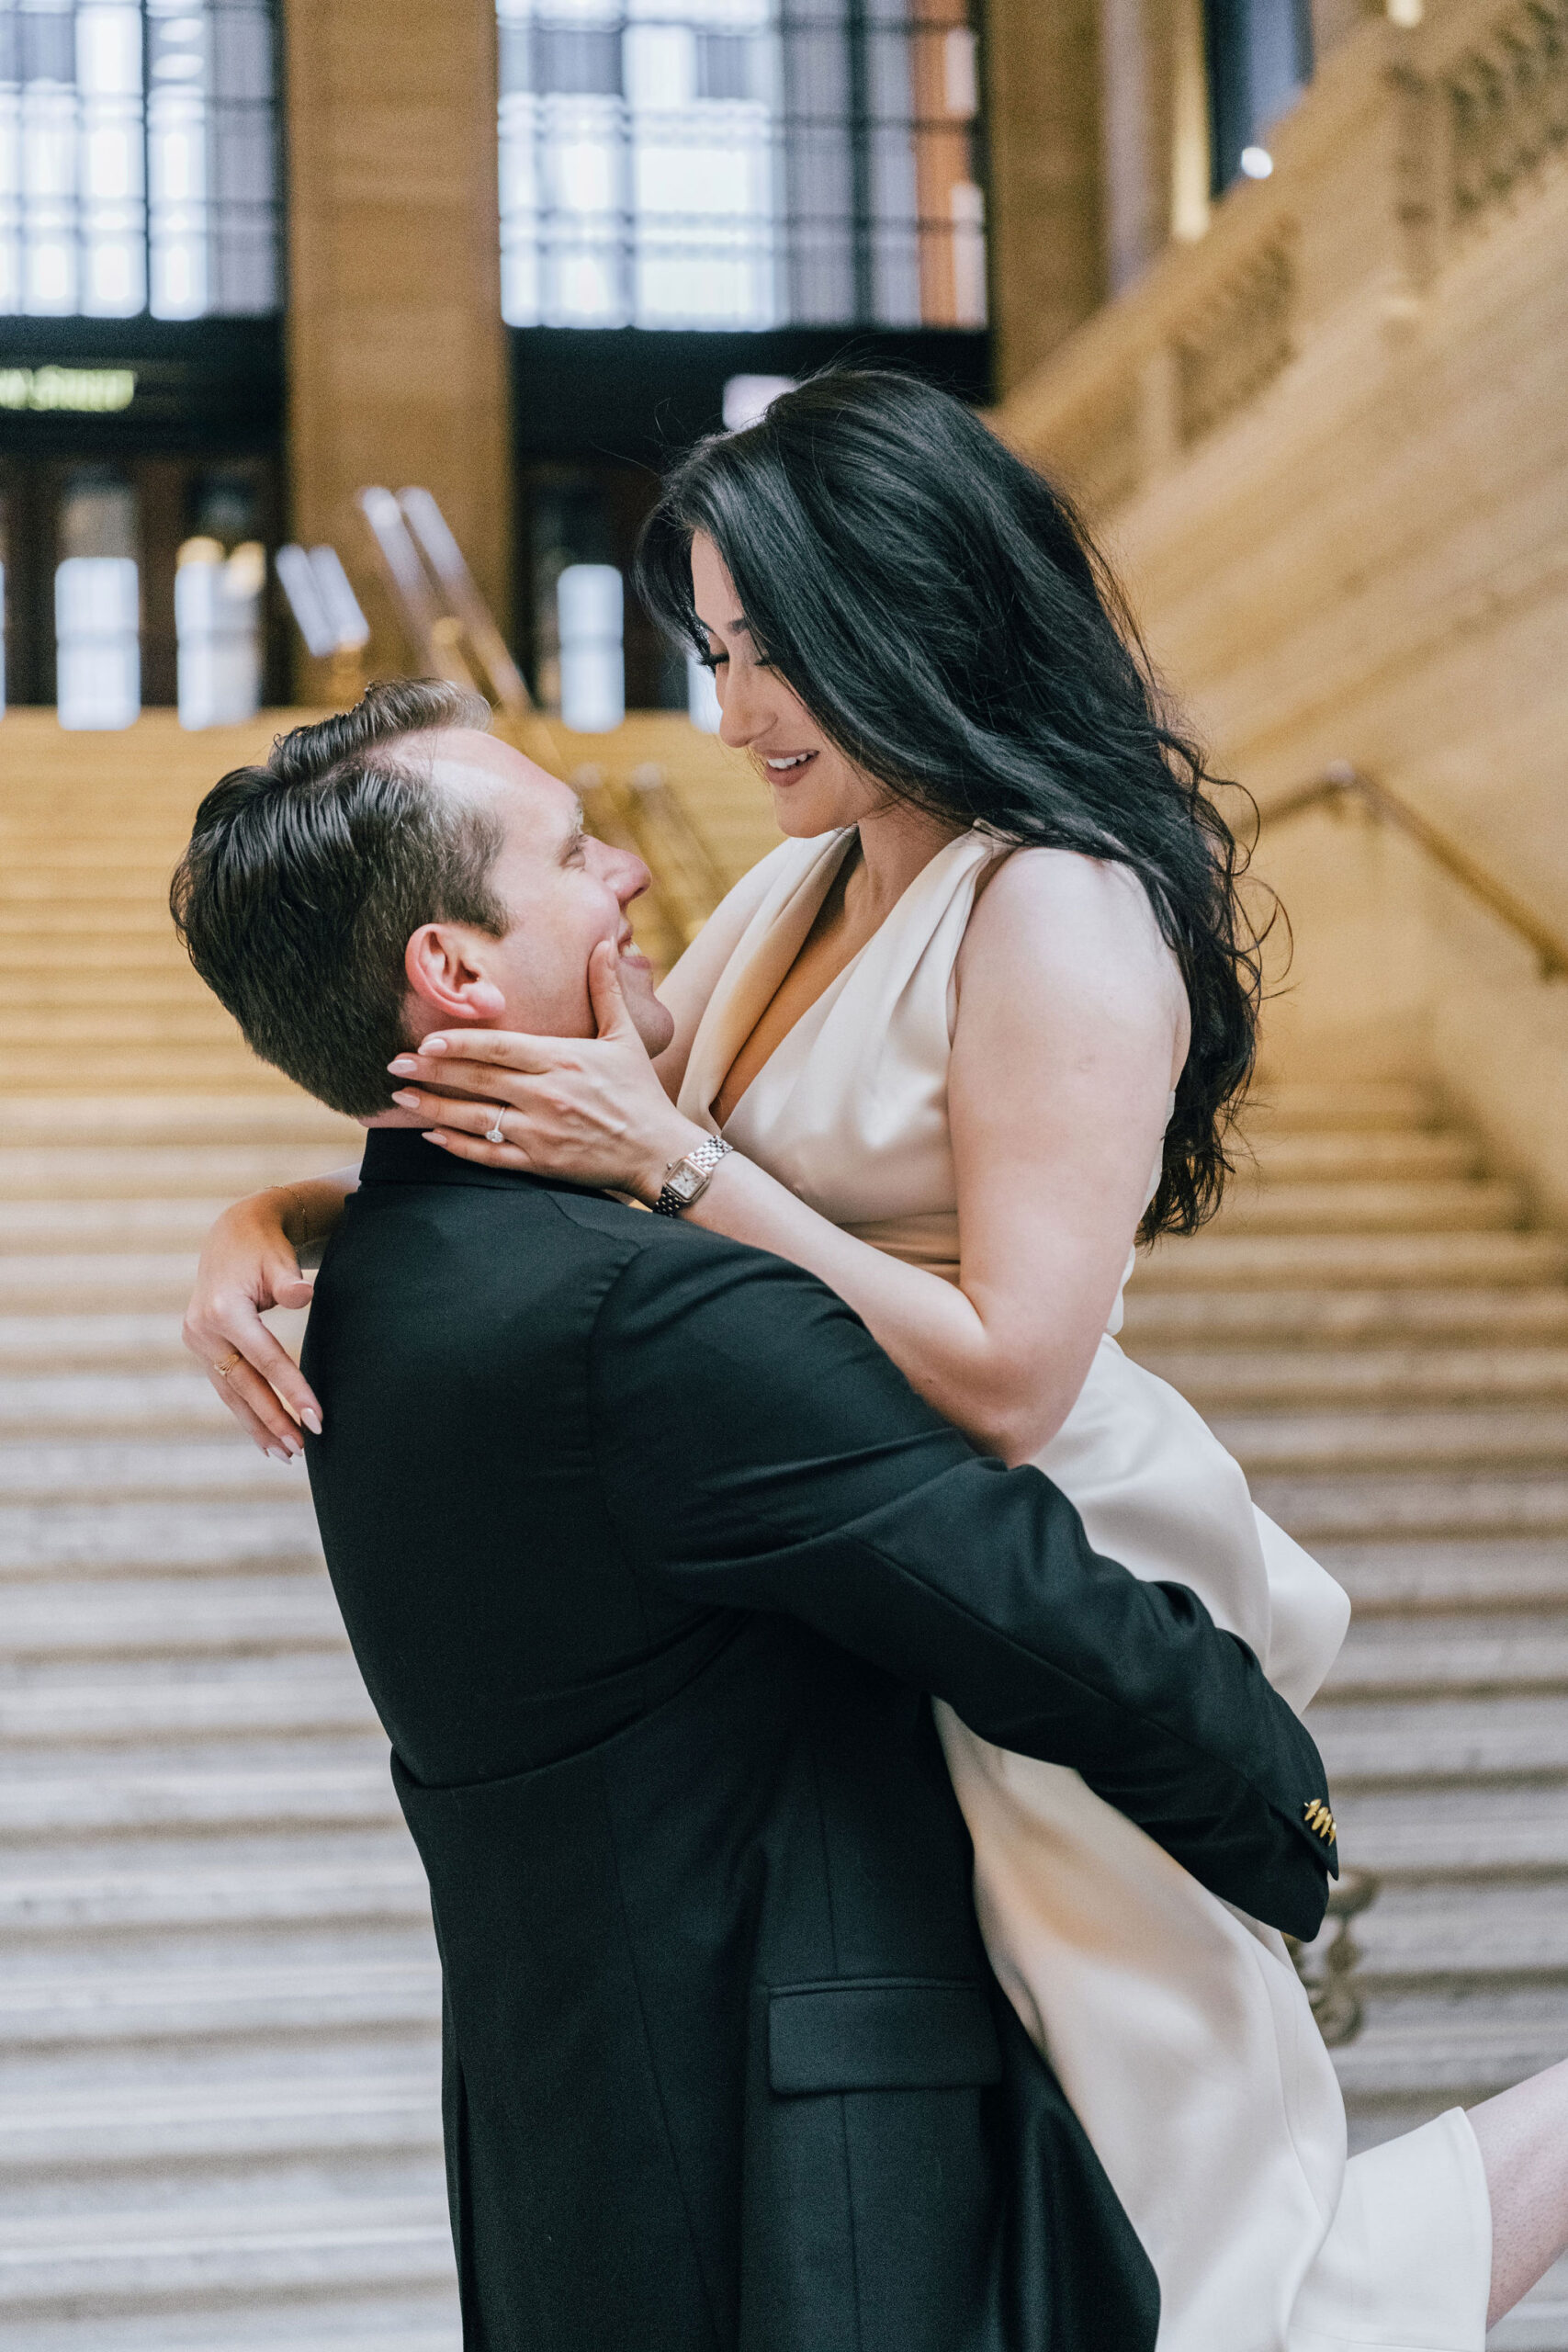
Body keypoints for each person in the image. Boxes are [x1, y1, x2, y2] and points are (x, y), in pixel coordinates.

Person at [186, 377, 1568, 2346]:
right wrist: (299, 1217)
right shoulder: (791, 885)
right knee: (1111, 2258)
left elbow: (1006, 1367)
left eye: (767, 652)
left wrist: (686, 1164)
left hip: (1026, 1516)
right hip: (868, 1567)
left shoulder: (1057, 903)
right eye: (713, 651)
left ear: (903, 613)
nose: (732, 708)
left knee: (1214, 2268)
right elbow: (556, 1167)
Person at [168, 680, 1339, 2352]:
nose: (634, 873)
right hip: (796, 2199)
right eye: (575, 851)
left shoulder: (380, 1284)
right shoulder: (652, 1320)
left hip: (574, 2163)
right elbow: (1046, 1626)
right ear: (454, 971)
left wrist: (274, 1206)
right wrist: (1290, 1812)